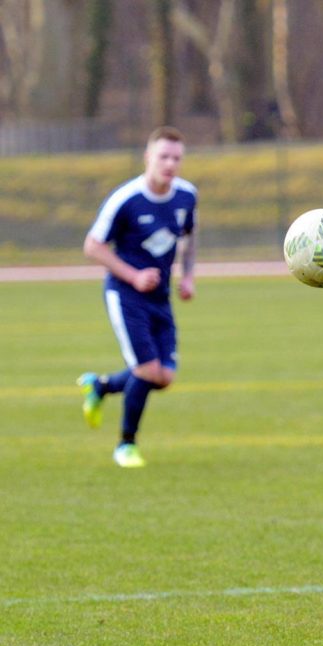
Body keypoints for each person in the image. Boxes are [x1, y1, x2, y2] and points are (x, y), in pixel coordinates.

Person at [77, 126, 198, 468]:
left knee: (165, 377)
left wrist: (187, 276)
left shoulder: (187, 195)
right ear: (148, 157)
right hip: (126, 295)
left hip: (160, 297)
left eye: (176, 158)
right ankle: (125, 445)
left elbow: (190, 237)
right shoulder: (126, 199)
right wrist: (134, 276)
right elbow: (92, 246)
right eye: (164, 156)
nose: (170, 164)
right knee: (147, 370)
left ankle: (100, 386)